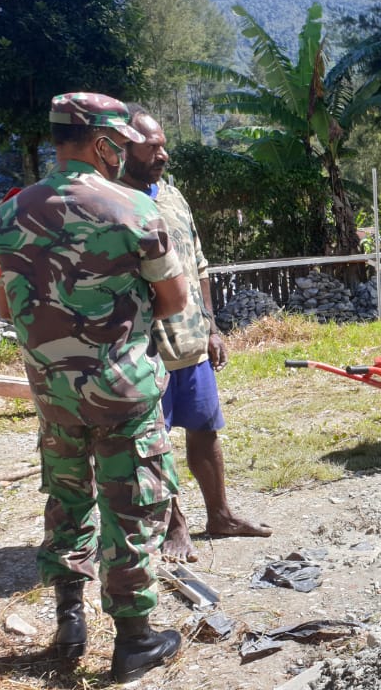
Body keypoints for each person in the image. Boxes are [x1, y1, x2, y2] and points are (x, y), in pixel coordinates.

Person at [0, 92, 188, 682]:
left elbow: (6, 305)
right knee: (131, 507)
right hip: (121, 390)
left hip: (53, 392)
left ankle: (69, 620)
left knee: (68, 499)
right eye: (120, 145)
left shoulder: (7, 214)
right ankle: (134, 641)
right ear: (103, 143)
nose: (123, 154)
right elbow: (174, 300)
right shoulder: (134, 210)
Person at [119, 105, 272, 562]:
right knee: (155, 441)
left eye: (163, 144)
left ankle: (220, 515)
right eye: (152, 146)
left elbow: (198, 263)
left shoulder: (172, 196)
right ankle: (174, 526)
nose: (163, 153)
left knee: (205, 430)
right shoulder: (115, 205)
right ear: (124, 149)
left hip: (191, 341)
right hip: (147, 348)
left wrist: (211, 325)